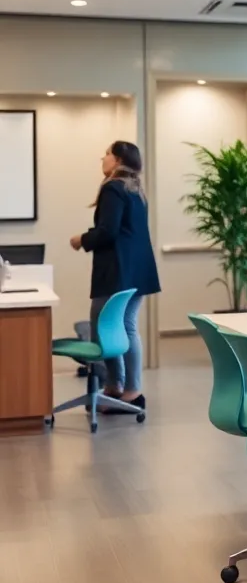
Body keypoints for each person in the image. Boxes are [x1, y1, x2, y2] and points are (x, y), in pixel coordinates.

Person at [70, 140, 161, 412]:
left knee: (103, 326)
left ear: (119, 159)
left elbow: (108, 231)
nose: (103, 158)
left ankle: (118, 388)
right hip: (138, 271)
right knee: (128, 326)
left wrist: (81, 239)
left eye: (107, 154)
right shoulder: (136, 190)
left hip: (117, 272)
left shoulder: (112, 187)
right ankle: (125, 389)